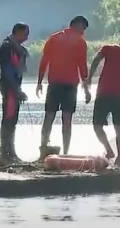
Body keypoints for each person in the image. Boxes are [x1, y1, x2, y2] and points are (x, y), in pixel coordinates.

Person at [36, 16, 91, 159]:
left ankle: (43, 147)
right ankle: (66, 152)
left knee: (49, 116)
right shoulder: (80, 42)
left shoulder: (53, 38)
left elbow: (44, 61)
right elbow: (83, 67)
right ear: (77, 26)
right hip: (70, 85)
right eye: (83, 28)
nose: (83, 32)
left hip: (54, 84)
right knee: (67, 120)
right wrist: (86, 90)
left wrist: (39, 82)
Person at [85, 34, 120, 159]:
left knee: (97, 126)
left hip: (104, 94)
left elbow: (95, 61)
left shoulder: (108, 49)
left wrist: (89, 77)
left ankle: (109, 150)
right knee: (119, 128)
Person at [0, 22, 30, 165]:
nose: (27, 37)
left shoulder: (18, 48)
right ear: (17, 32)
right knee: (8, 120)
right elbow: (8, 71)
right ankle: (5, 154)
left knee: (13, 121)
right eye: (26, 33)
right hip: (9, 88)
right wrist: (17, 90)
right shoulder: (7, 47)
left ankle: (11, 152)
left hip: (14, 87)